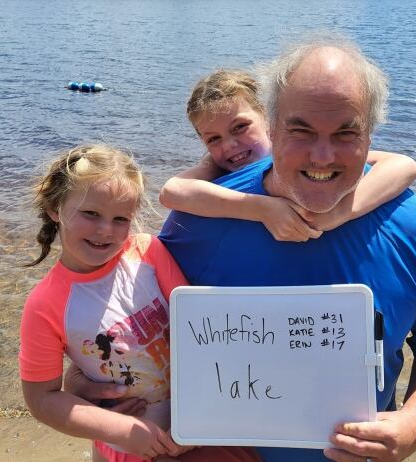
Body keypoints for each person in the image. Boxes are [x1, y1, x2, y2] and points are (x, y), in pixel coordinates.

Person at [158, 37, 416, 462]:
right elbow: (136, 326)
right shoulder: (197, 220)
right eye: (301, 130)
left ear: (370, 134)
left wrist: (415, 423)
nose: (322, 156)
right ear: (272, 127)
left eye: (346, 132)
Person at [19, 145, 261, 462]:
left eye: (121, 218)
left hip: (201, 427)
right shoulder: (44, 304)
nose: (105, 230)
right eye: (91, 213)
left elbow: (202, 330)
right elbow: (42, 398)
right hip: (130, 449)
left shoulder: (148, 252)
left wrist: (196, 417)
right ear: (55, 208)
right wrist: (117, 428)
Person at [159, 69, 416, 242]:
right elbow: (171, 191)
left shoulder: (303, 155)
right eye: (213, 139)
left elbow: (404, 165)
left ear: (270, 120)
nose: (229, 145)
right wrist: (263, 208)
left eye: (240, 127)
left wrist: (342, 212)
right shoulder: (216, 167)